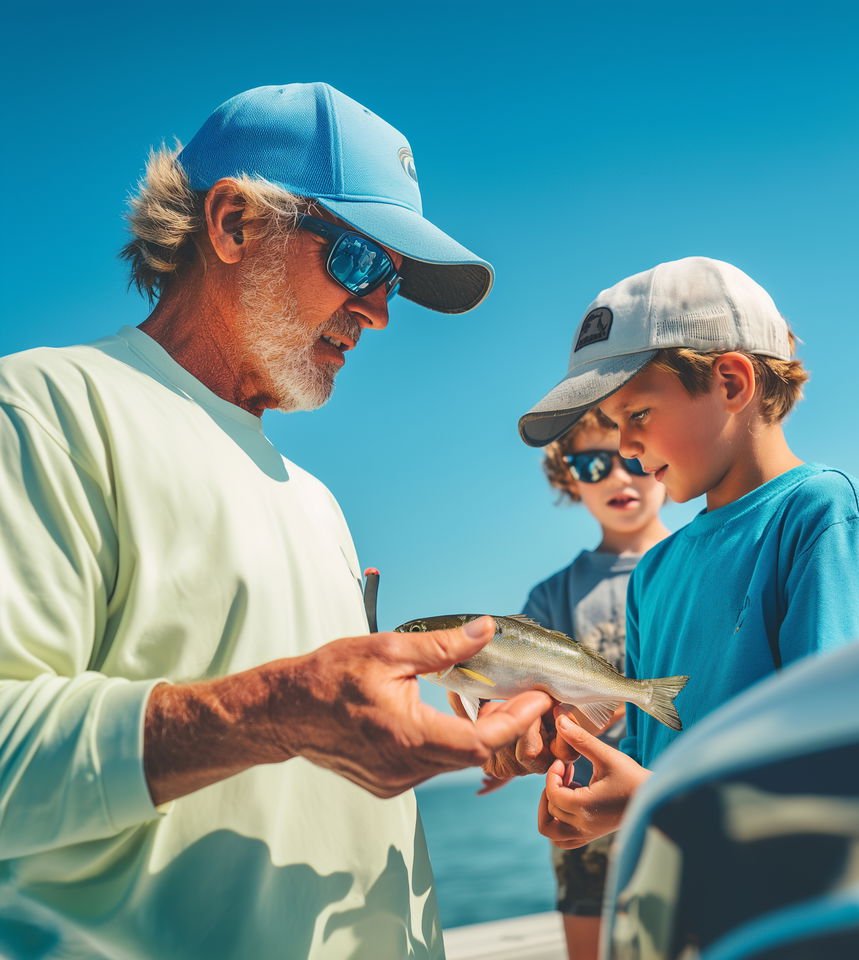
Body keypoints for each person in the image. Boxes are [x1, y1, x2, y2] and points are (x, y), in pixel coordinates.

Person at [0, 82, 552, 960]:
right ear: (233, 226)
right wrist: (273, 713)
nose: (377, 311)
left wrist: (455, 737)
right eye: (361, 263)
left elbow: (326, 741)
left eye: (394, 285)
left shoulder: (318, 500)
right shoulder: (44, 408)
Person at [515, 256, 859, 860]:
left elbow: (835, 764)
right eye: (615, 425)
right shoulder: (653, 572)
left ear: (730, 382)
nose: (626, 446)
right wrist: (592, 792)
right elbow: (654, 761)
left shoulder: (823, 517)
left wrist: (650, 799)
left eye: (638, 414)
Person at [520, 409, 669, 960]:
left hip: (671, 797)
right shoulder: (551, 597)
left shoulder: (699, 566)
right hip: (578, 803)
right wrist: (506, 739)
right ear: (569, 478)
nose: (617, 477)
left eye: (630, 458)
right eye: (592, 464)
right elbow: (521, 696)